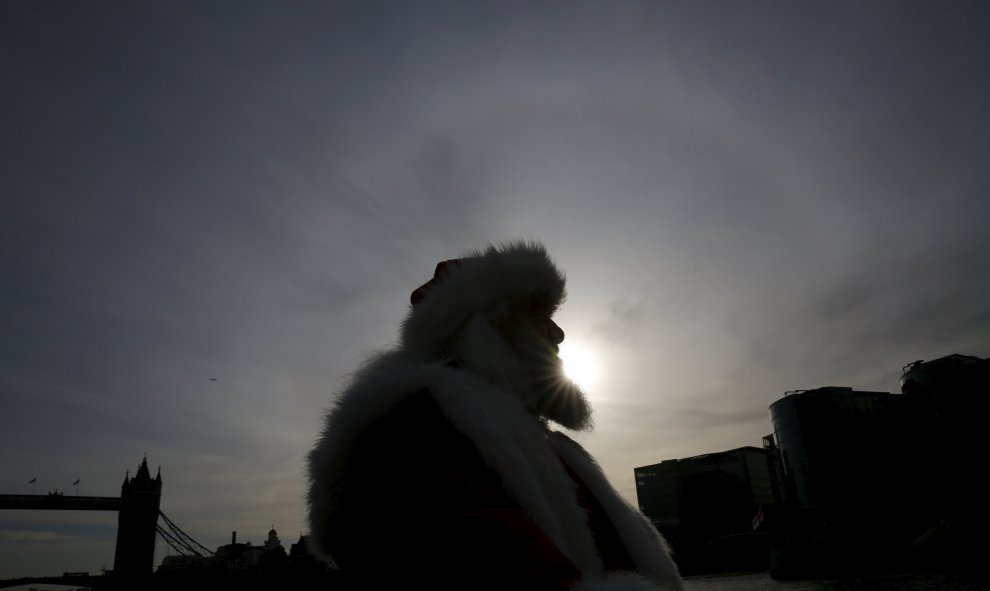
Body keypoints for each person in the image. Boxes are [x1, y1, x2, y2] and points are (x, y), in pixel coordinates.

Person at [306, 240, 683, 591]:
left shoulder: (545, 445)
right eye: (536, 312)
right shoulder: (416, 430)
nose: (559, 333)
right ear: (484, 325)